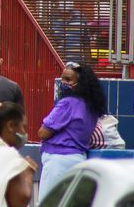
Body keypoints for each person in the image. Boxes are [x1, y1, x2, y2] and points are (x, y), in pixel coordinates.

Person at [37, 61, 106, 199]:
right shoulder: (91, 107)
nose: (63, 82)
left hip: (57, 162)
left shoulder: (66, 104)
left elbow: (43, 133)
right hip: (79, 160)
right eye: (62, 78)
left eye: (68, 79)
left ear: (80, 83)